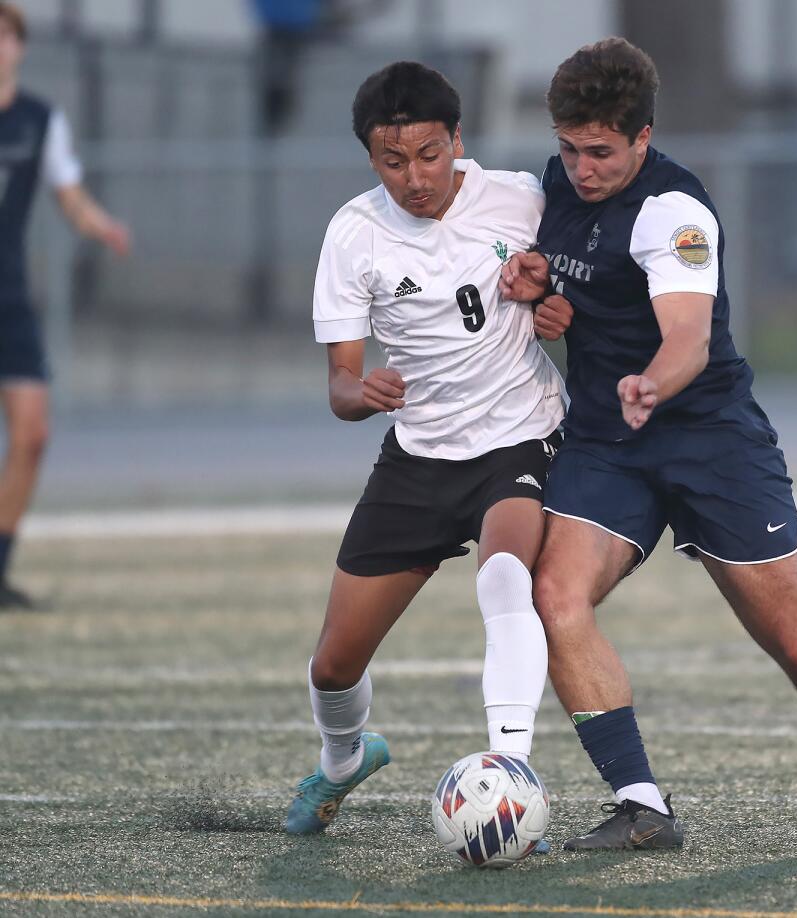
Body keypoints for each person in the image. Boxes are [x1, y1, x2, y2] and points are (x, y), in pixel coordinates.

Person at [501, 37, 797, 851]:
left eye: (602, 152)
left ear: (643, 138)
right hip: (607, 444)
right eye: (570, 149)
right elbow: (562, 267)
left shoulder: (675, 211)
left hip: (709, 438)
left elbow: (686, 335)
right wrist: (539, 289)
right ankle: (643, 805)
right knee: (556, 599)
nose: (581, 168)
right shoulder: (554, 187)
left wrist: (653, 380)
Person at [285, 61, 572, 838]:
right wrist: (361, 391)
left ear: (458, 141)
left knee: (507, 575)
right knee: (333, 666)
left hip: (520, 435)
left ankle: (512, 778)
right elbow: (341, 386)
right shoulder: (354, 234)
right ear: (371, 160)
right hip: (417, 460)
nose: (415, 177)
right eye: (393, 161)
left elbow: (586, 293)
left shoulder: (523, 198)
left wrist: (553, 299)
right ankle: (344, 759)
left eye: (430, 154)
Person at [0, 1, 129, 610]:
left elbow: (70, 198)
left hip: (10, 300)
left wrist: (101, 226)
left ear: (20, 46)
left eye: (5, 36)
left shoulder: (38, 120)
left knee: (32, 435)